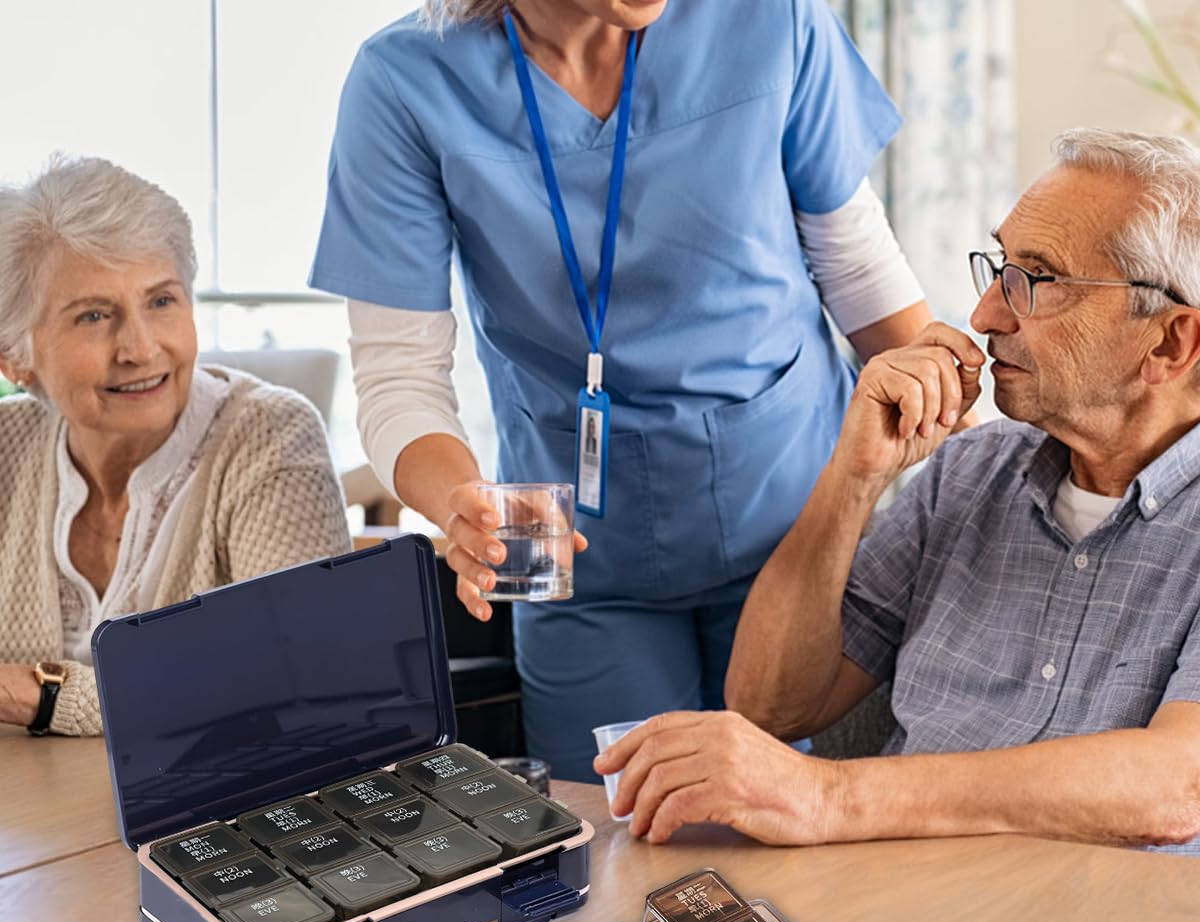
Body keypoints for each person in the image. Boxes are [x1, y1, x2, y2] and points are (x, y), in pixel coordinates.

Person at [310, 0, 933, 779]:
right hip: (572, 543)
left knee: (780, 814)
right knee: (616, 829)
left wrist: (980, 446)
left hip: (793, 514)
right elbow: (399, 374)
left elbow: (857, 269)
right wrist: (460, 502)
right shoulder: (406, 81)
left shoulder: (770, 20)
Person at [596, 128, 1200, 854]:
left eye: (1036, 281)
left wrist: (828, 796)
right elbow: (770, 706)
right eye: (1001, 266)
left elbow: (1176, 786)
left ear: (1170, 342)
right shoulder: (966, 475)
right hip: (893, 912)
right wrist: (854, 477)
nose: (985, 315)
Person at [0, 157, 352, 737]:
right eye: (93, 315)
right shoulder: (9, 446)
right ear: (15, 355)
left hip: (221, 817)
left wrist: (37, 696)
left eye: (162, 301)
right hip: (33, 814)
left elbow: (299, 684)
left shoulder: (269, 436)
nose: (139, 348)